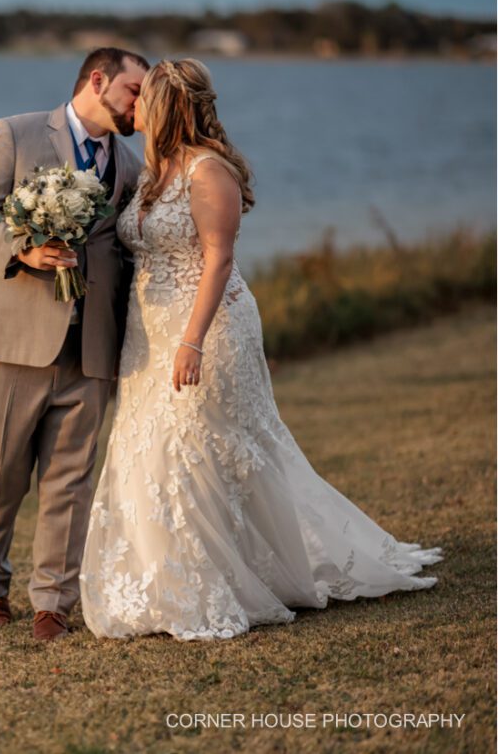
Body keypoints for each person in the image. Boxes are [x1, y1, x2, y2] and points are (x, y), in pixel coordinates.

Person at [78, 58, 443, 641]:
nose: (133, 105)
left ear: (167, 107)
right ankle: (161, 579)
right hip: (147, 333)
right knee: (153, 448)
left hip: (208, 326)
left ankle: (221, 579)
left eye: (145, 97)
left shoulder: (207, 172)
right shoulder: (150, 171)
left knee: (201, 447)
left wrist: (192, 341)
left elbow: (218, 260)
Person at [0, 48, 148, 641]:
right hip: (7, 343)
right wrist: (21, 248)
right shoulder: (16, 133)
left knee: (71, 481)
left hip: (91, 350)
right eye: (135, 91)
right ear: (98, 81)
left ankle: (53, 600)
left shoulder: (130, 165)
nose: (142, 105)